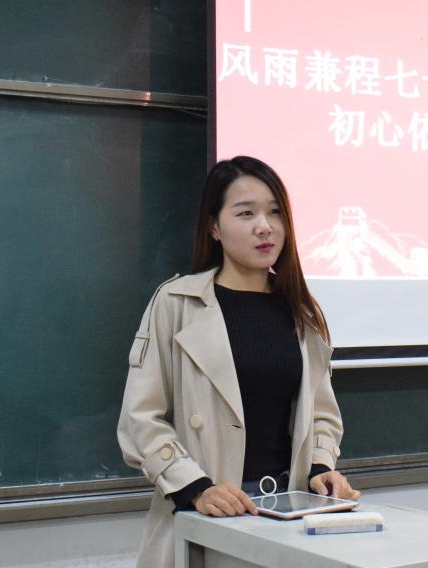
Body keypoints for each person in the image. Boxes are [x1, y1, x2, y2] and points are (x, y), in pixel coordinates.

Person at [117, 156, 359, 568]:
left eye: (275, 212)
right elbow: (141, 418)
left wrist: (321, 468)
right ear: (213, 226)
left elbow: (321, 412)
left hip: (288, 519)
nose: (265, 227)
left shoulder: (302, 309)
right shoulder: (177, 303)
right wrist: (195, 488)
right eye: (246, 213)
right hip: (206, 517)